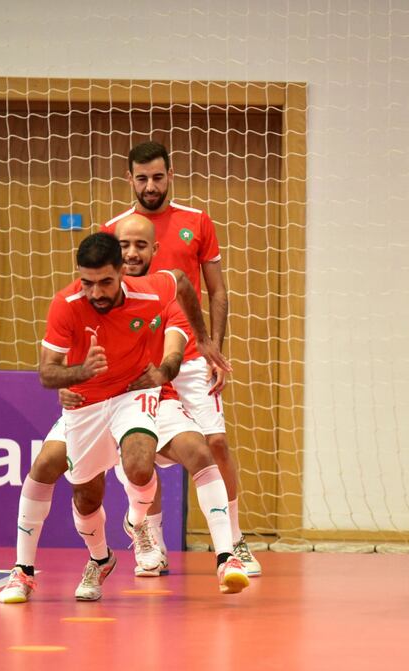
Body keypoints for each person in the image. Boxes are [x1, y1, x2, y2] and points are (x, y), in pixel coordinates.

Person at [0, 231, 232, 603]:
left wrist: (201, 339)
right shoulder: (66, 304)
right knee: (77, 490)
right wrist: (80, 372)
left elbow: (184, 284)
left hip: (132, 394)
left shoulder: (150, 291)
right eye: (87, 282)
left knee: (140, 461)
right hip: (87, 405)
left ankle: (189, 542)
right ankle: (86, 560)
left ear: (122, 273)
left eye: (105, 282)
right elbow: (47, 374)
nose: (96, 293)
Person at [102, 140, 260, 576]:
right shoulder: (114, 228)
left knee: (217, 443)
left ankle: (233, 540)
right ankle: (150, 542)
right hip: (137, 365)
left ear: (170, 176)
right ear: (130, 179)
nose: (150, 185)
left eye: (157, 177)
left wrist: (215, 349)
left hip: (189, 355)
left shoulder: (197, 221)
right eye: (141, 178)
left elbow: (217, 290)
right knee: (141, 450)